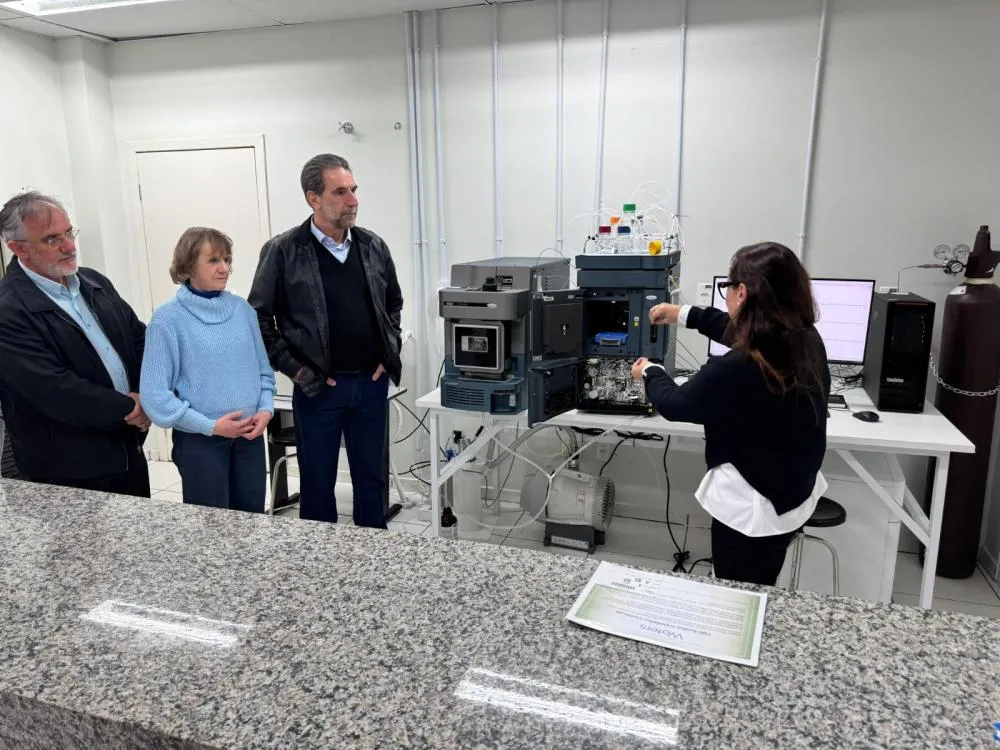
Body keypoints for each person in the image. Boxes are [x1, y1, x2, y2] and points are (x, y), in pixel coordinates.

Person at [634, 242, 831, 586]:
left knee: (737, 593)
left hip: (753, 508)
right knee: (760, 580)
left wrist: (649, 371)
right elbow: (737, 329)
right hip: (792, 492)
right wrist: (682, 314)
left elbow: (676, 404)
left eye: (727, 288)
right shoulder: (804, 338)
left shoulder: (738, 368)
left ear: (742, 293)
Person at [249, 154, 404, 528]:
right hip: (319, 389)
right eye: (340, 192)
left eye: (353, 190)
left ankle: (373, 557)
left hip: (369, 384)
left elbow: (394, 305)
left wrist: (389, 352)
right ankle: (320, 568)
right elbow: (258, 317)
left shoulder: (372, 246)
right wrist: (298, 371)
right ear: (313, 198)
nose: (353, 200)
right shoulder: (284, 251)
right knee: (318, 484)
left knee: (372, 480)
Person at [0, 191, 151, 497]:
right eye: (52, 239)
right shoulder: (9, 309)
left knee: (137, 543)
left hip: (127, 447)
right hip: (69, 469)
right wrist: (130, 407)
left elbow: (138, 338)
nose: (70, 246)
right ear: (17, 248)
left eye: (69, 232)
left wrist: (150, 395)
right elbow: (53, 388)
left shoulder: (94, 282)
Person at [140, 227, 276, 513]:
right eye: (213, 260)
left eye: (227, 259)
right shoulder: (167, 320)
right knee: (211, 531)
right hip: (201, 442)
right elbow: (154, 396)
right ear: (188, 265)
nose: (224, 268)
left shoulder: (243, 311)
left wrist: (265, 411)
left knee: (251, 521)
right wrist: (211, 426)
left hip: (249, 437)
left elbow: (263, 372)